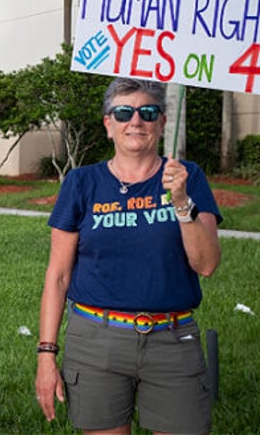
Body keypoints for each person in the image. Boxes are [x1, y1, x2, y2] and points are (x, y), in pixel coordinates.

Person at [36, 78, 222, 435]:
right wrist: (46, 355)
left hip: (172, 339)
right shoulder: (80, 182)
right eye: (123, 112)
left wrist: (181, 201)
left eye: (147, 112)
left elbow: (207, 264)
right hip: (95, 340)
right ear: (109, 125)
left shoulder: (188, 177)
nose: (135, 121)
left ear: (162, 122)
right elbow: (58, 275)